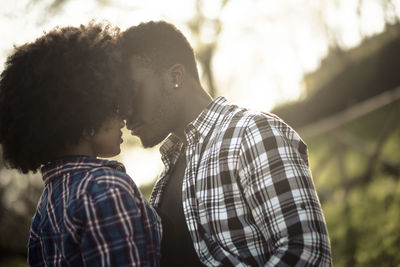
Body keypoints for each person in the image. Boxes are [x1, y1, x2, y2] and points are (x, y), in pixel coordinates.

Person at [120, 21, 332, 266]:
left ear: (174, 77)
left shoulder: (252, 133)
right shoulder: (167, 175)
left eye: (132, 90)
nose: (125, 112)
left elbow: (307, 254)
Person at [0, 23, 161, 266]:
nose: (123, 118)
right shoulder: (106, 189)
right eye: (114, 107)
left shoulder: (46, 207)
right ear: (87, 120)